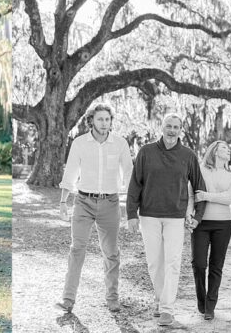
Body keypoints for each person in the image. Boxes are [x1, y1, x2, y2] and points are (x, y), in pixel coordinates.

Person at [126, 113, 206, 329]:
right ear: (161, 127)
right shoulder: (146, 152)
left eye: (176, 127)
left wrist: (197, 216)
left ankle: (167, 309)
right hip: (149, 215)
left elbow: (200, 187)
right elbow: (135, 184)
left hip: (175, 218)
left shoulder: (188, 155)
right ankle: (161, 299)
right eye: (168, 126)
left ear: (181, 130)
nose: (172, 130)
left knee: (172, 262)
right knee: (154, 262)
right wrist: (131, 214)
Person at [56, 102, 134, 315]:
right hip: (83, 202)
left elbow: (129, 174)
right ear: (91, 120)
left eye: (107, 119)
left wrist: (132, 205)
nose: (104, 123)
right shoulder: (80, 143)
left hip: (110, 204)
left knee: (111, 253)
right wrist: (63, 202)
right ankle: (68, 299)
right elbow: (70, 172)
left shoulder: (120, 144)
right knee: (77, 249)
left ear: (111, 122)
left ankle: (112, 298)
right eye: (100, 119)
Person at [191, 139, 231, 322]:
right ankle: (201, 302)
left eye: (228, 148)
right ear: (214, 151)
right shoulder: (201, 171)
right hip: (201, 223)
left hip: (223, 223)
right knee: (199, 264)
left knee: (216, 266)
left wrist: (206, 196)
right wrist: (190, 215)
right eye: (223, 147)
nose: (227, 150)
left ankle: (210, 306)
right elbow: (191, 194)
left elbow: (228, 199)